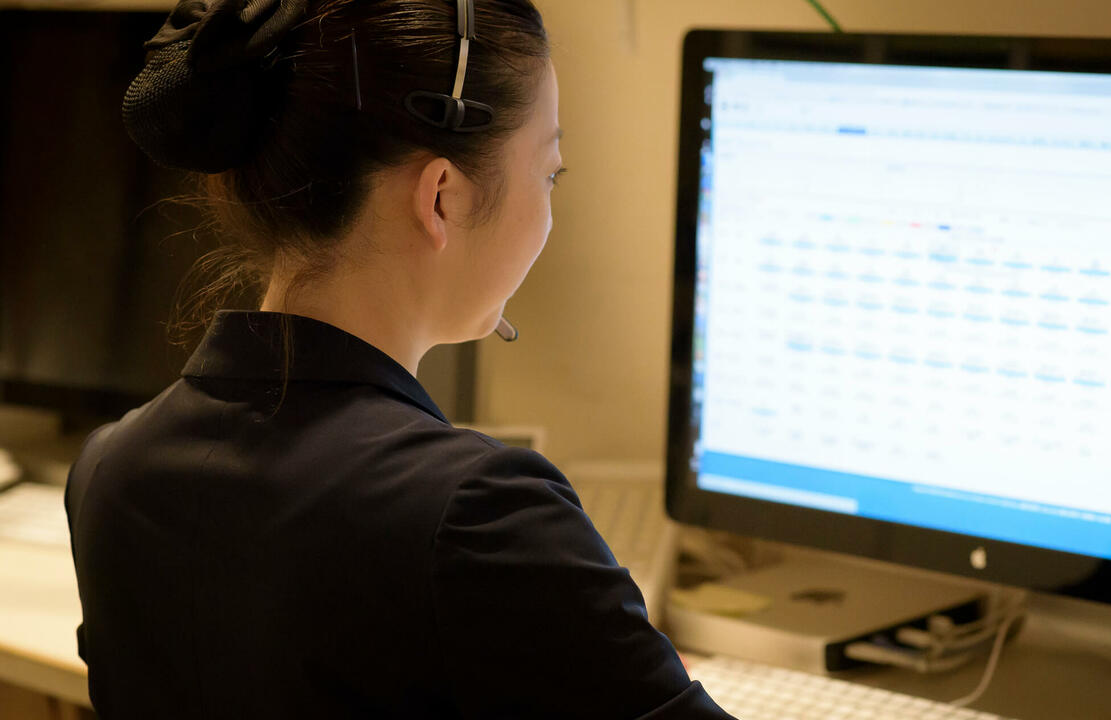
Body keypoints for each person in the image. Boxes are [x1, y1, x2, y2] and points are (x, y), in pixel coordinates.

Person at [63, 0, 737, 717]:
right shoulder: (479, 513)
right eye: (550, 174)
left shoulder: (109, 471)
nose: (548, 211)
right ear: (440, 196)